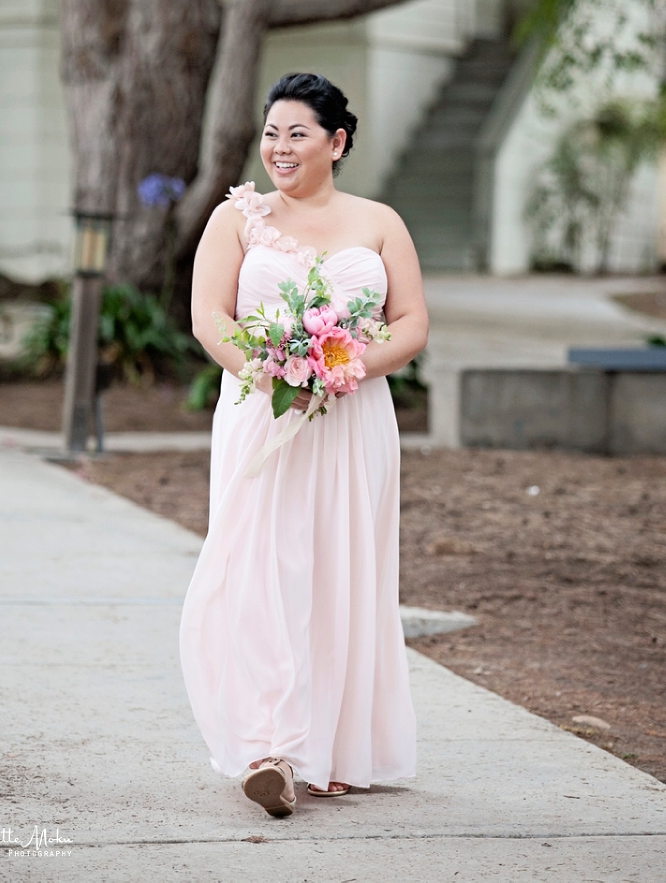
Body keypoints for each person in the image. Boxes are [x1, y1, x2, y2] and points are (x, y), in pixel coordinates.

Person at [180, 72, 429, 817]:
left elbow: (411, 322)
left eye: (297, 134)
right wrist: (274, 369)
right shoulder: (237, 218)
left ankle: (335, 748)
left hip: (355, 421)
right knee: (263, 566)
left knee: (342, 567)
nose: (279, 149)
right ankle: (270, 748)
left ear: (337, 141)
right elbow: (208, 317)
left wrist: (341, 367)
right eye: (271, 134)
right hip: (262, 413)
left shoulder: (380, 222)